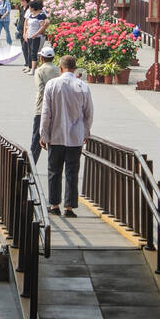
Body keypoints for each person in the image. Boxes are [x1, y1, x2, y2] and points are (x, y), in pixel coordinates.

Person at [39, 54, 94, 215]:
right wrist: (86, 131)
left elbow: (46, 112)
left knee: (54, 171)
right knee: (72, 171)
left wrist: (44, 134)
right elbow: (88, 113)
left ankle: (54, 205)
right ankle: (69, 207)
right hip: (75, 136)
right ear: (75, 68)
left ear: (60, 68)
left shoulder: (52, 84)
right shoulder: (82, 86)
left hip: (55, 135)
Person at [31, 44, 60, 162]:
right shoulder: (59, 70)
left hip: (41, 108)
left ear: (41, 58)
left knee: (36, 138)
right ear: (53, 58)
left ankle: (31, 166)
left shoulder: (39, 71)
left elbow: (40, 88)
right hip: (57, 109)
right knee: (55, 139)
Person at [24, 0, 50, 73]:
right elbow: (27, 23)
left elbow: (43, 25)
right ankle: (30, 67)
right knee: (30, 52)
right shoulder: (31, 15)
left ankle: (33, 69)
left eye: (30, 7)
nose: (29, 8)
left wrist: (36, 34)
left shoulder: (40, 15)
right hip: (29, 36)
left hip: (36, 37)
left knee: (34, 52)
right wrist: (25, 32)